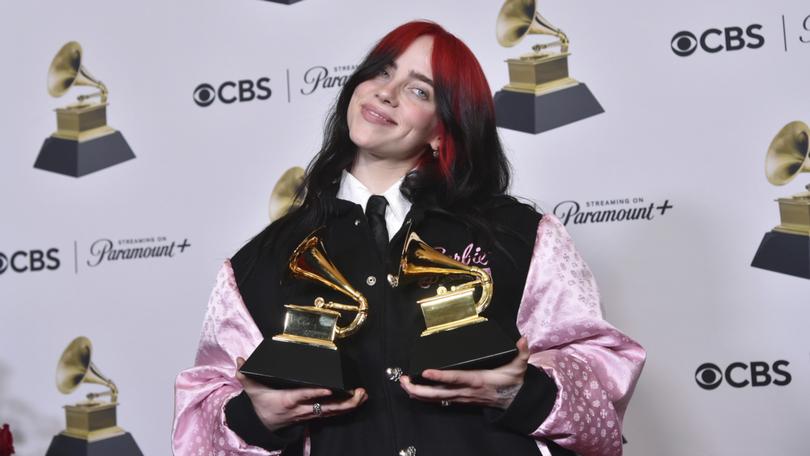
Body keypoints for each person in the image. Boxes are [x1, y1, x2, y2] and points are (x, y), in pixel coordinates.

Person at [172, 20, 645, 456]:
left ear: (445, 127)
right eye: (381, 72)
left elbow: (604, 388)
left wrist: (523, 391)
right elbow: (199, 427)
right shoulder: (257, 263)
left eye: (418, 89)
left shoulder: (520, 235)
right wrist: (251, 417)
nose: (386, 93)